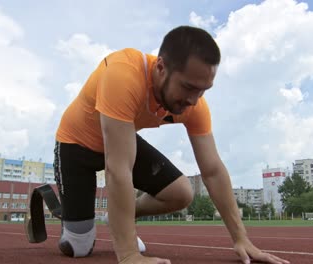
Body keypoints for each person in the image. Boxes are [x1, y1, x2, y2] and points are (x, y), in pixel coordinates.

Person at [54, 25, 290, 264]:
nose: (193, 100)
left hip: (119, 136)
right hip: (76, 144)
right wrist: (128, 254)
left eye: (203, 91)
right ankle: (58, 205)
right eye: (188, 87)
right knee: (78, 247)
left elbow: (213, 171)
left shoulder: (194, 105)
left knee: (181, 193)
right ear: (160, 68)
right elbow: (118, 169)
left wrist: (241, 239)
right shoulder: (123, 74)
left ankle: (118, 218)